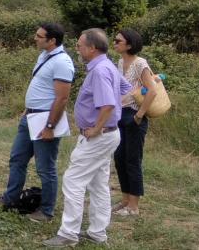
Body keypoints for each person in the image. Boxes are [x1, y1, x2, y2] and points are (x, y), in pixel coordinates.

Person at [44, 29, 130, 248]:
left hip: (99, 136)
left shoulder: (100, 71)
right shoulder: (108, 65)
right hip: (110, 134)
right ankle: (97, 232)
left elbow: (108, 103)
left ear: (92, 48)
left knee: (73, 180)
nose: (77, 48)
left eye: (80, 45)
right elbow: (127, 90)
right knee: (99, 183)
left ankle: (68, 234)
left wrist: (97, 127)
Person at [0, 23, 75, 222]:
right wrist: (27, 108)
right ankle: (10, 198)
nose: (35, 38)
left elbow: (62, 98)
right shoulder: (44, 56)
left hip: (45, 119)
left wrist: (50, 127)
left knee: (45, 167)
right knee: (17, 159)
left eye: (39, 36)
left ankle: (46, 210)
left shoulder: (62, 62)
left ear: (52, 41)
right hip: (31, 116)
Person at [111, 28, 158, 217]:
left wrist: (139, 115)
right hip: (119, 115)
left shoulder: (140, 63)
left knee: (132, 160)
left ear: (129, 44)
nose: (114, 43)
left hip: (133, 115)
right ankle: (125, 200)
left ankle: (134, 206)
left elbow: (152, 90)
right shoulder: (120, 61)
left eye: (118, 41)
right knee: (119, 158)